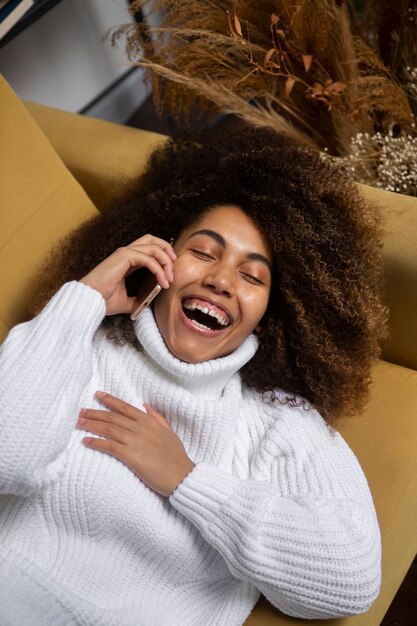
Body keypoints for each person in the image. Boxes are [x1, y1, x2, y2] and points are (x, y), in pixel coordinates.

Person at [0, 127, 387, 625]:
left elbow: (349, 580)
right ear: (159, 252)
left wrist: (186, 479)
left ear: (275, 312)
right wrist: (84, 298)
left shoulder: (274, 418)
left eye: (252, 276)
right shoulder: (78, 343)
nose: (221, 280)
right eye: (203, 252)